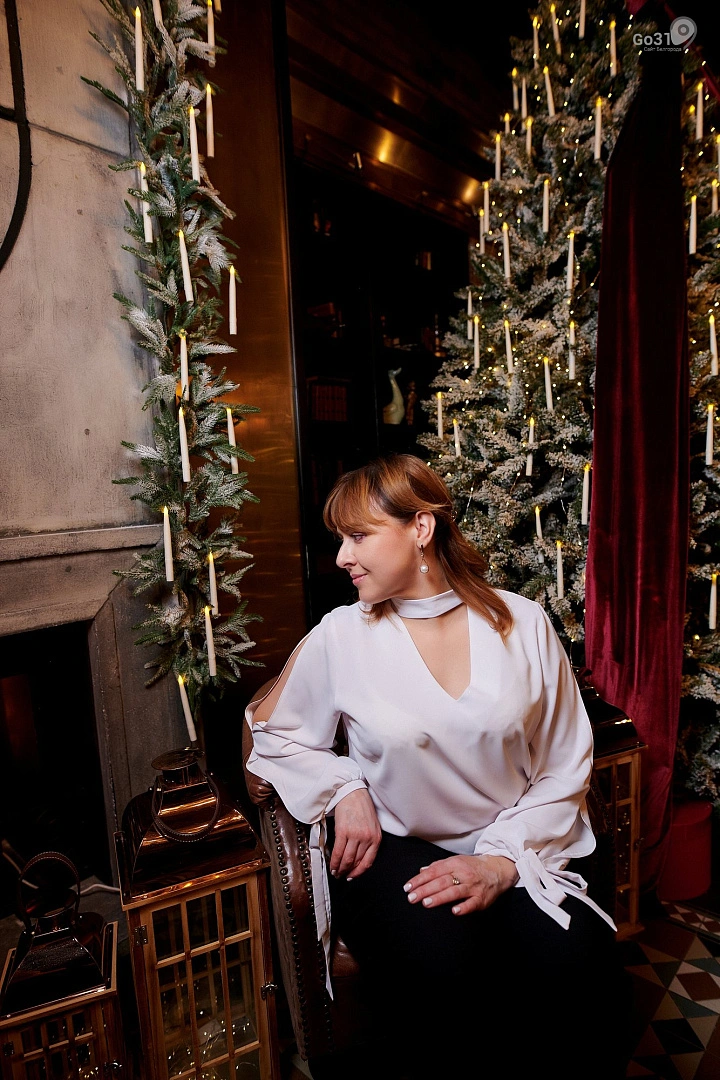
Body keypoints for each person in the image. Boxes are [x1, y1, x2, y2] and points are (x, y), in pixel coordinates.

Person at [245, 454, 633, 1080]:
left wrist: (501, 864)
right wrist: (344, 787)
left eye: (358, 536)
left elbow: (565, 763)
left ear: (420, 528)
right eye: (340, 539)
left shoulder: (523, 623)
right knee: (445, 969)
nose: (342, 557)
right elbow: (275, 735)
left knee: (577, 968)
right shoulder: (341, 636)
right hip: (397, 850)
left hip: (521, 842)